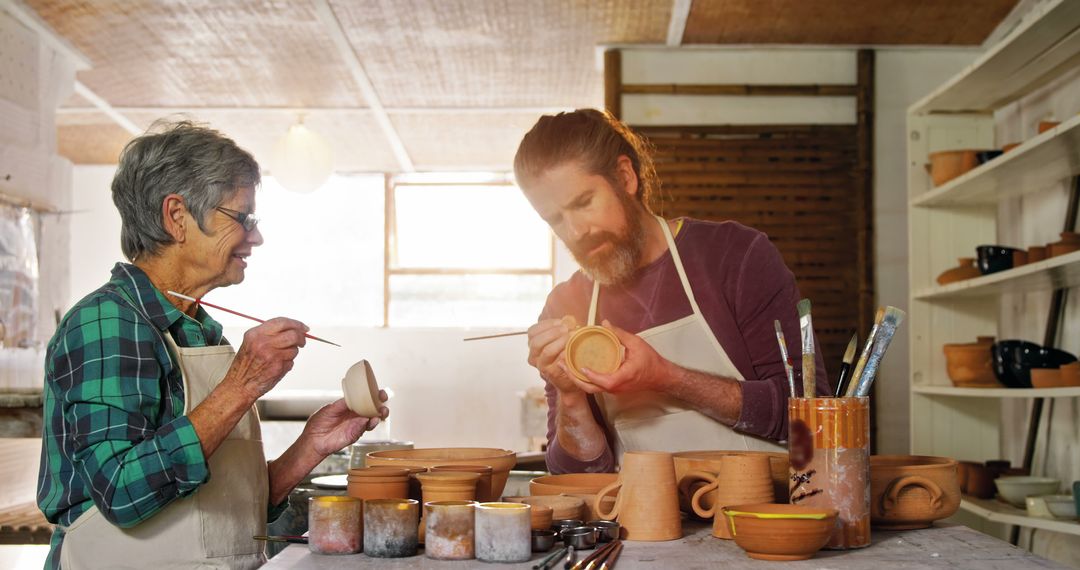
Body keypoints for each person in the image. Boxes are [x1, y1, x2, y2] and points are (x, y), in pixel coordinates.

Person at [37, 121, 387, 569]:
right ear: (177, 216)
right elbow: (121, 492)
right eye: (242, 218)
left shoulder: (202, 332)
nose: (255, 236)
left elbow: (222, 515)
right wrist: (240, 386)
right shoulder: (107, 322)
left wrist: (312, 447)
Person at [515, 109, 829, 474]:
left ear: (625, 176)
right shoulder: (565, 306)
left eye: (583, 203)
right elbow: (574, 476)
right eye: (554, 219)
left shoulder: (735, 256)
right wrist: (570, 396)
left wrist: (666, 377)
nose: (574, 231)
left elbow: (813, 417)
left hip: (760, 521)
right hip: (641, 527)